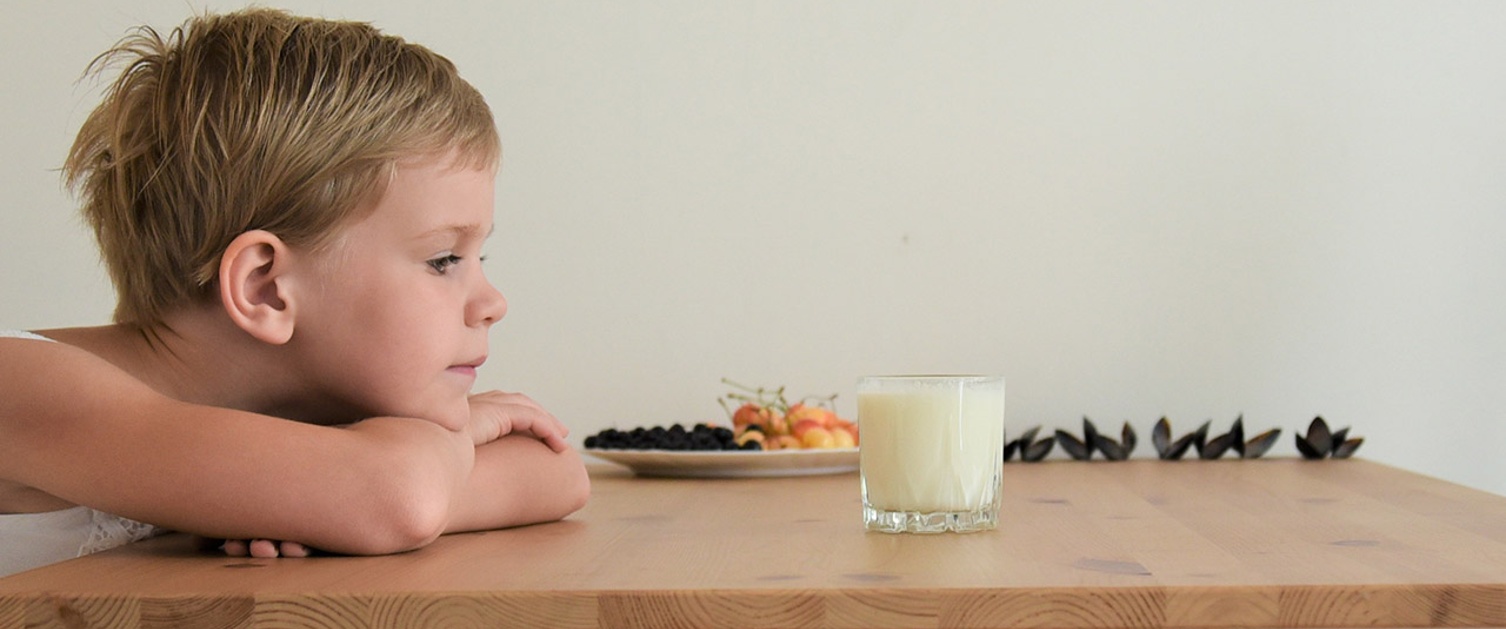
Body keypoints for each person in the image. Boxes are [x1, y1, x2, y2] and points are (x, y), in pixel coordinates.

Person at [0, 8, 590, 578]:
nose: (493, 303)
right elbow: (396, 500)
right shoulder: (21, 384)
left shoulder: (317, 392)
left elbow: (556, 470)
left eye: (476, 256)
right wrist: (391, 481)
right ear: (266, 289)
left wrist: (375, 488)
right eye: (443, 261)